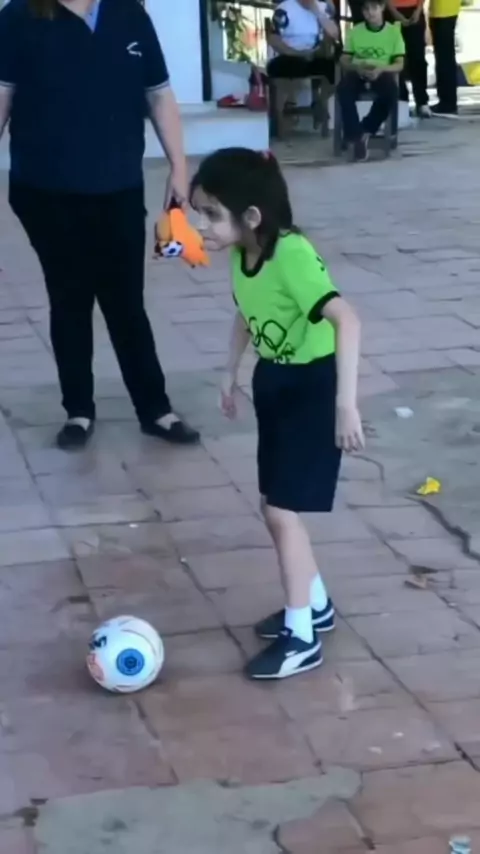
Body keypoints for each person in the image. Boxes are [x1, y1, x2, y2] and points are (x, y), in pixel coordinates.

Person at [191, 148, 364, 681]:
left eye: (212, 214)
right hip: (276, 382)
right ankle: (315, 605)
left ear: (251, 216)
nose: (203, 226)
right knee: (273, 505)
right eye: (201, 213)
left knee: (283, 513)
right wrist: (229, 372)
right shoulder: (243, 252)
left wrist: (345, 404)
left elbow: (347, 320)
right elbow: (247, 314)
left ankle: (301, 637)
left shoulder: (291, 254)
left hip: (313, 388)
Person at [0, 0, 199, 450]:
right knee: (69, 297)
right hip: (45, 191)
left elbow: (159, 93)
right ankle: (78, 411)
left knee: (125, 301)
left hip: (118, 187)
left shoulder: (129, 15)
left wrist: (179, 166)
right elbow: (2, 96)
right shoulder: (19, 17)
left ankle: (155, 409)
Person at [337, 0, 405, 161]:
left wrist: (381, 69)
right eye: (366, 9)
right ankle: (355, 136)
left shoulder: (393, 32)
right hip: (358, 71)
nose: (370, 13)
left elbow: (399, 64)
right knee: (343, 90)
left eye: (374, 8)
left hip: (382, 71)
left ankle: (365, 130)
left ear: (382, 8)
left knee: (391, 93)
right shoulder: (355, 31)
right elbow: (344, 59)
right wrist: (356, 67)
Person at [267, 0, 339, 131]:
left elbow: (334, 34)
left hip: (313, 55)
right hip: (289, 55)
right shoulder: (285, 9)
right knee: (280, 69)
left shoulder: (322, 7)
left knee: (336, 71)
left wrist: (317, 12)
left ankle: (320, 103)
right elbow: (273, 40)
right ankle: (284, 115)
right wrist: (297, 53)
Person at [386, 0, 430, 117]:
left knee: (418, 58)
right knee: (395, 57)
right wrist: (394, 12)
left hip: (414, 11)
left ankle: (422, 101)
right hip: (391, 12)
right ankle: (402, 101)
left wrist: (418, 10)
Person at [429, 0, 460, 116]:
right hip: (442, 10)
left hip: (444, 11)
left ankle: (448, 103)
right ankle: (447, 101)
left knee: (444, 59)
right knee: (444, 57)